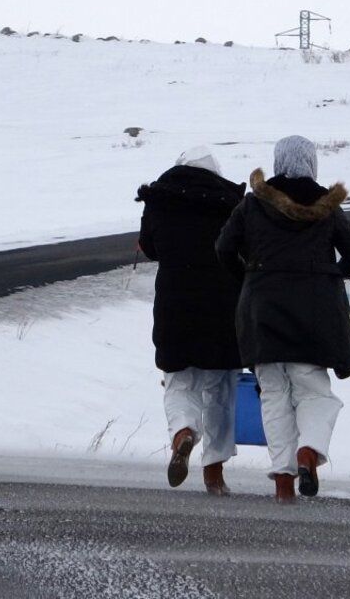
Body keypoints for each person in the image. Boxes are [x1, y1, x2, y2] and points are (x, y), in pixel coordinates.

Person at [215, 135, 350, 504]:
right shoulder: (326, 206)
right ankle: (308, 453)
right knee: (314, 391)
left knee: (275, 397)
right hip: (314, 315)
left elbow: (223, 249)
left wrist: (250, 278)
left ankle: (283, 481)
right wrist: (331, 277)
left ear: (278, 161)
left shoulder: (252, 205)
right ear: (311, 163)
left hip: (262, 311)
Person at [137, 145, 247, 496]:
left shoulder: (161, 200)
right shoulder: (232, 204)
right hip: (223, 303)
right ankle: (214, 472)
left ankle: (183, 432)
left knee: (179, 380)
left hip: (175, 300)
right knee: (220, 388)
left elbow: (149, 246)